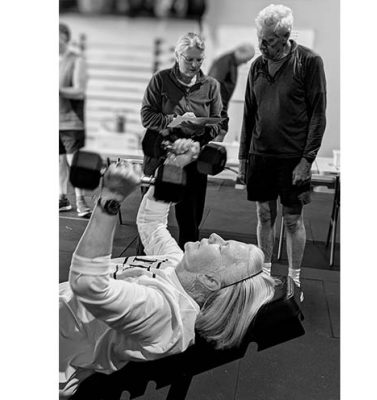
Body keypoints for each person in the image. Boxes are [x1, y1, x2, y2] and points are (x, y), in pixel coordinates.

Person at [59, 139, 275, 399]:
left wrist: (110, 200)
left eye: (222, 247)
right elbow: (151, 223)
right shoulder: (178, 265)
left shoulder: (166, 313)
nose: (215, 236)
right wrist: (174, 165)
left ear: (210, 279)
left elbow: (89, 286)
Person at [238, 4, 327, 292]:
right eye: (260, 39)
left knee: (292, 220)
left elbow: (318, 115)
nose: (262, 46)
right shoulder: (257, 66)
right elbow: (249, 115)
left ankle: (294, 280)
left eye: (269, 41)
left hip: (293, 159)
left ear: (286, 36)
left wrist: (307, 160)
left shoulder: (309, 62)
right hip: (260, 155)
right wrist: (243, 158)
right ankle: (264, 277)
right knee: (264, 215)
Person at [140, 32, 224, 249]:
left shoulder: (211, 86)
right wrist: (174, 121)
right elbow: (147, 117)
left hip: (194, 154)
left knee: (190, 220)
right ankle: (148, 261)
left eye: (199, 60)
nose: (194, 65)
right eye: (189, 59)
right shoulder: (160, 80)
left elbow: (218, 122)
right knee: (153, 217)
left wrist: (200, 138)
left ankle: (188, 263)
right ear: (177, 56)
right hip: (164, 152)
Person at [59, 22, 92, 218]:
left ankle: (81, 200)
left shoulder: (77, 60)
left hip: (71, 121)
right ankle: (62, 198)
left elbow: (79, 91)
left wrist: (58, 90)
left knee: (74, 162)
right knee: (59, 162)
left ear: (64, 38)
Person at [208, 43, 255, 139]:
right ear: (241, 53)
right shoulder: (225, 61)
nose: (245, 63)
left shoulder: (232, 62)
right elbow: (213, 86)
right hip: (215, 110)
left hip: (220, 108)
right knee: (220, 132)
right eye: (246, 59)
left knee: (222, 131)